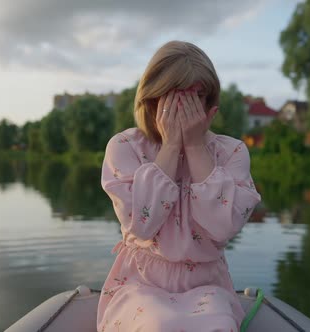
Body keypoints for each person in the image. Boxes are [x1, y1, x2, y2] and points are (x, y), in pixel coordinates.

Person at [96, 40, 262, 332]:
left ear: (210, 102)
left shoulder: (232, 152)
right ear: (152, 99)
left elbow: (222, 228)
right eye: (175, 97)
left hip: (207, 282)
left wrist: (196, 147)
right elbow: (142, 225)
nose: (185, 108)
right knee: (156, 324)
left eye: (196, 96)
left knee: (218, 325)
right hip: (140, 281)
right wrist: (171, 146)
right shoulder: (124, 146)